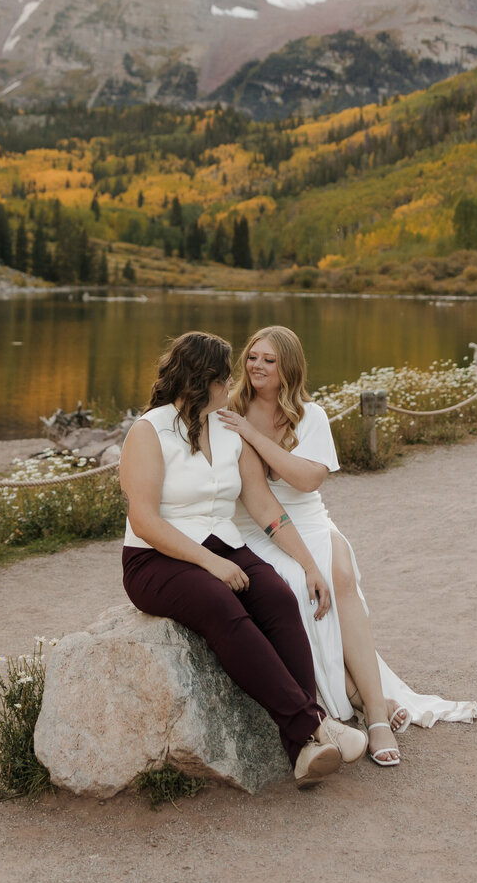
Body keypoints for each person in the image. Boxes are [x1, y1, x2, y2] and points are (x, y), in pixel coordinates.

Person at [221, 325, 477, 767]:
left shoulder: (311, 415)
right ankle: (361, 698)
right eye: (252, 357)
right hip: (254, 528)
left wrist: (252, 434)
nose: (258, 366)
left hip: (308, 519)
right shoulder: (232, 409)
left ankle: (377, 715)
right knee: (295, 594)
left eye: (269, 359)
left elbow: (306, 479)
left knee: (340, 574)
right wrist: (243, 426)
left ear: (288, 368)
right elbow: (255, 494)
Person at [119, 330, 368, 787]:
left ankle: (301, 750)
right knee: (221, 606)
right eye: (225, 374)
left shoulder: (227, 426)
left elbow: (263, 504)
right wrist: (211, 565)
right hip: (154, 558)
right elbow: (146, 521)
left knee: (276, 594)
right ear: (202, 379)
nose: (234, 381)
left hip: (222, 544)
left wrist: (310, 565)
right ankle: (313, 725)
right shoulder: (148, 431)